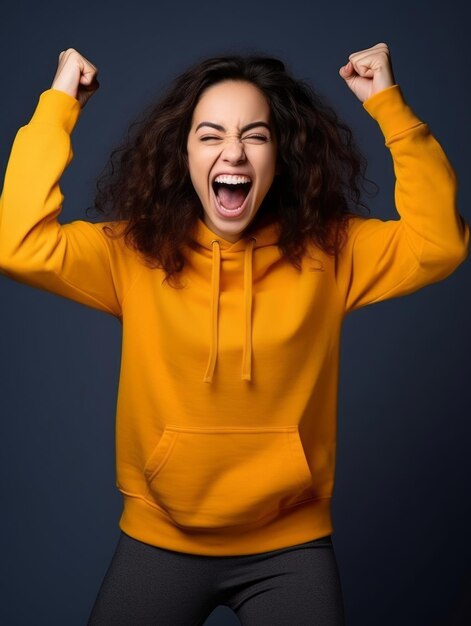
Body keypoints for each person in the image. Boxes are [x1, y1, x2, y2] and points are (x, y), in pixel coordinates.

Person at [0, 43, 468, 625]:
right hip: (159, 540)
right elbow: (17, 245)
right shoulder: (133, 254)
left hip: (291, 547)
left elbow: (440, 243)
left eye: (256, 135)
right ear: (184, 153)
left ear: (282, 154)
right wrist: (59, 104)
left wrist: (389, 107)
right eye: (210, 134)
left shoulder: (334, 251)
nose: (234, 153)